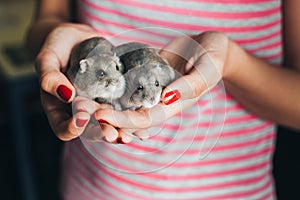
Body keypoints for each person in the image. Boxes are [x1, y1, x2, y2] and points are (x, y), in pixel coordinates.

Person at [26, 0, 300, 199]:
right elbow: (48, 18)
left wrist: (229, 63)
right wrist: (54, 39)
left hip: (232, 191)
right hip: (89, 186)